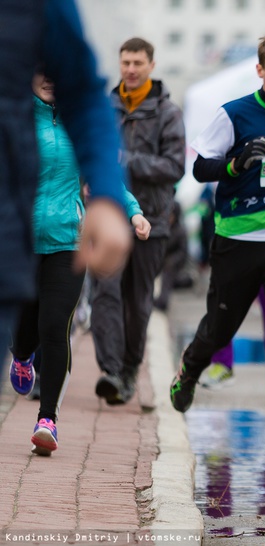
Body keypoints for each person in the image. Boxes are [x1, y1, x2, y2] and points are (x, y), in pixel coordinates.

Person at [169, 34, 265, 477]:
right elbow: (200, 167)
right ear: (260, 71)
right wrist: (237, 165)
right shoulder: (234, 114)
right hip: (237, 242)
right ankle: (191, 368)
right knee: (219, 331)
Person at [8, 71, 151, 456]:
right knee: (25, 325)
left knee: (55, 326)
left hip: (67, 242)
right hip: (20, 242)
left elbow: (105, 177)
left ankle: (48, 420)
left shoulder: (80, 121)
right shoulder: (15, 116)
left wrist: (133, 212)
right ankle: (20, 356)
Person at [1, 0, 132, 390]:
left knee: (52, 324)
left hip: (19, 232)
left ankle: (48, 412)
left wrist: (108, 198)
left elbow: (84, 94)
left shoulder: (41, 6)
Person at [91, 37, 186, 406]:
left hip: (154, 221)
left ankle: (130, 370)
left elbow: (174, 166)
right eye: (125, 62)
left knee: (137, 300)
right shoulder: (103, 108)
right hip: (107, 216)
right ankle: (111, 370)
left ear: (151, 65)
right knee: (104, 292)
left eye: (137, 63)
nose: (130, 69)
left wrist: (126, 161)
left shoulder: (168, 113)